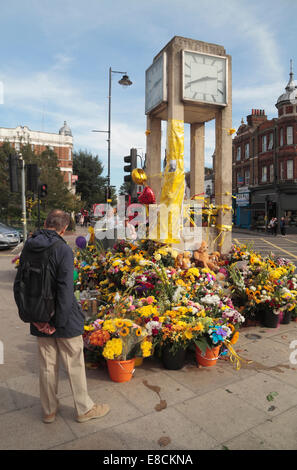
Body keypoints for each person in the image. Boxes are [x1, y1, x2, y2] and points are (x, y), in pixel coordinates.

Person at [14, 209, 110, 423]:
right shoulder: (63, 249)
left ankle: (48, 410)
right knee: (74, 362)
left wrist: (35, 318)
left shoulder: (29, 245)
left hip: (37, 314)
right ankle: (84, 409)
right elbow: (65, 290)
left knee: (47, 365)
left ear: (47, 222)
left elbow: (19, 283)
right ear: (64, 228)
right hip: (61, 317)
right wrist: (56, 322)